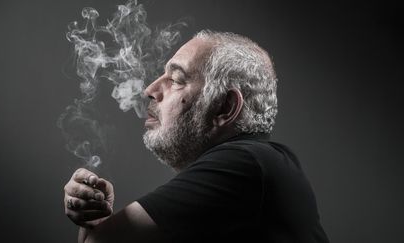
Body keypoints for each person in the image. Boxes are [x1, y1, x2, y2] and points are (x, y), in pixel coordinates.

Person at [63, 30, 330, 243]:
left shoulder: (244, 164)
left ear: (224, 107)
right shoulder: (260, 165)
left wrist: (98, 228)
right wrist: (96, 220)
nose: (151, 89)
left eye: (177, 79)